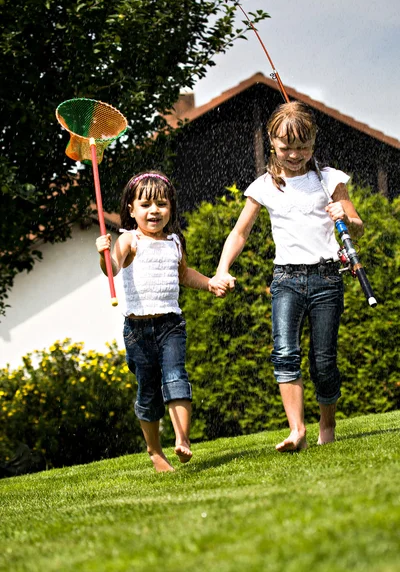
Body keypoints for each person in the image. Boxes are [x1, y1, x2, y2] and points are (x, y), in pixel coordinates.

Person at [213, 101, 364, 452]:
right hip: (286, 280)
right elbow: (240, 232)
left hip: (327, 278)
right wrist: (222, 268)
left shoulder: (329, 180)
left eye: (303, 147)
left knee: (323, 361)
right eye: (286, 148)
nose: (295, 155)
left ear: (314, 142)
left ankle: (327, 421)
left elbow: (355, 227)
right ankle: (297, 429)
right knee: (284, 352)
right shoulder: (264, 186)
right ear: (271, 142)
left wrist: (345, 215)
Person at [96, 171, 228, 472]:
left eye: (161, 204)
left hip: (171, 325)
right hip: (138, 330)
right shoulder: (130, 239)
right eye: (145, 205)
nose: (154, 210)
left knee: (176, 377)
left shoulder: (175, 241)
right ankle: (155, 451)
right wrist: (103, 253)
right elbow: (111, 268)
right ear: (131, 210)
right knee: (149, 392)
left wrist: (209, 283)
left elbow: (183, 274)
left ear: (171, 207)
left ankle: (182, 439)